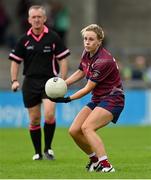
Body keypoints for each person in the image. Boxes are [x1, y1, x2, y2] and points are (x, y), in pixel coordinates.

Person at [49, 24, 125, 172]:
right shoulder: (87, 52)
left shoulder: (103, 61)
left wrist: (67, 99)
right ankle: (95, 160)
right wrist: (63, 84)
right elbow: (80, 72)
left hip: (113, 99)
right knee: (74, 130)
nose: (87, 42)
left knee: (87, 127)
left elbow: (87, 88)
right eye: (85, 39)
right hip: (98, 99)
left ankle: (106, 166)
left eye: (91, 39)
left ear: (99, 41)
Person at [9, 5, 70, 160]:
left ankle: (48, 149)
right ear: (29, 20)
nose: (36, 19)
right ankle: (37, 152)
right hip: (30, 82)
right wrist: (14, 80)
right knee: (34, 119)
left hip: (50, 82)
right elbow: (15, 62)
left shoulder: (53, 37)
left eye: (39, 17)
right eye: (33, 17)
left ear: (44, 18)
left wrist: (62, 80)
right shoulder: (23, 40)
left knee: (49, 115)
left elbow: (63, 60)